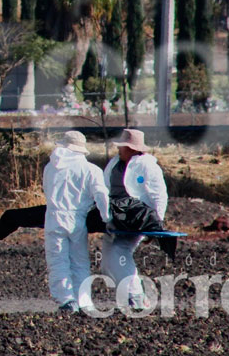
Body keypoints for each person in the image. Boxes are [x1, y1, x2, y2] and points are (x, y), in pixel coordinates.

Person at [43, 130, 110, 313]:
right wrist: (106, 218)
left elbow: (46, 190)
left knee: (58, 260)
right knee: (79, 260)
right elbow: (101, 195)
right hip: (77, 220)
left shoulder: (50, 167)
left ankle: (66, 300)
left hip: (54, 218)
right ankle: (84, 300)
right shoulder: (91, 170)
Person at [101, 128, 168, 309]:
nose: (119, 150)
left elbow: (159, 195)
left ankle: (136, 297)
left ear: (131, 149)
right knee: (107, 260)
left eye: (122, 147)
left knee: (119, 251)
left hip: (137, 218)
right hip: (114, 218)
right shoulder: (114, 163)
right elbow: (103, 188)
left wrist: (156, 224)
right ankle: (133, 294)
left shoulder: (148, 166)